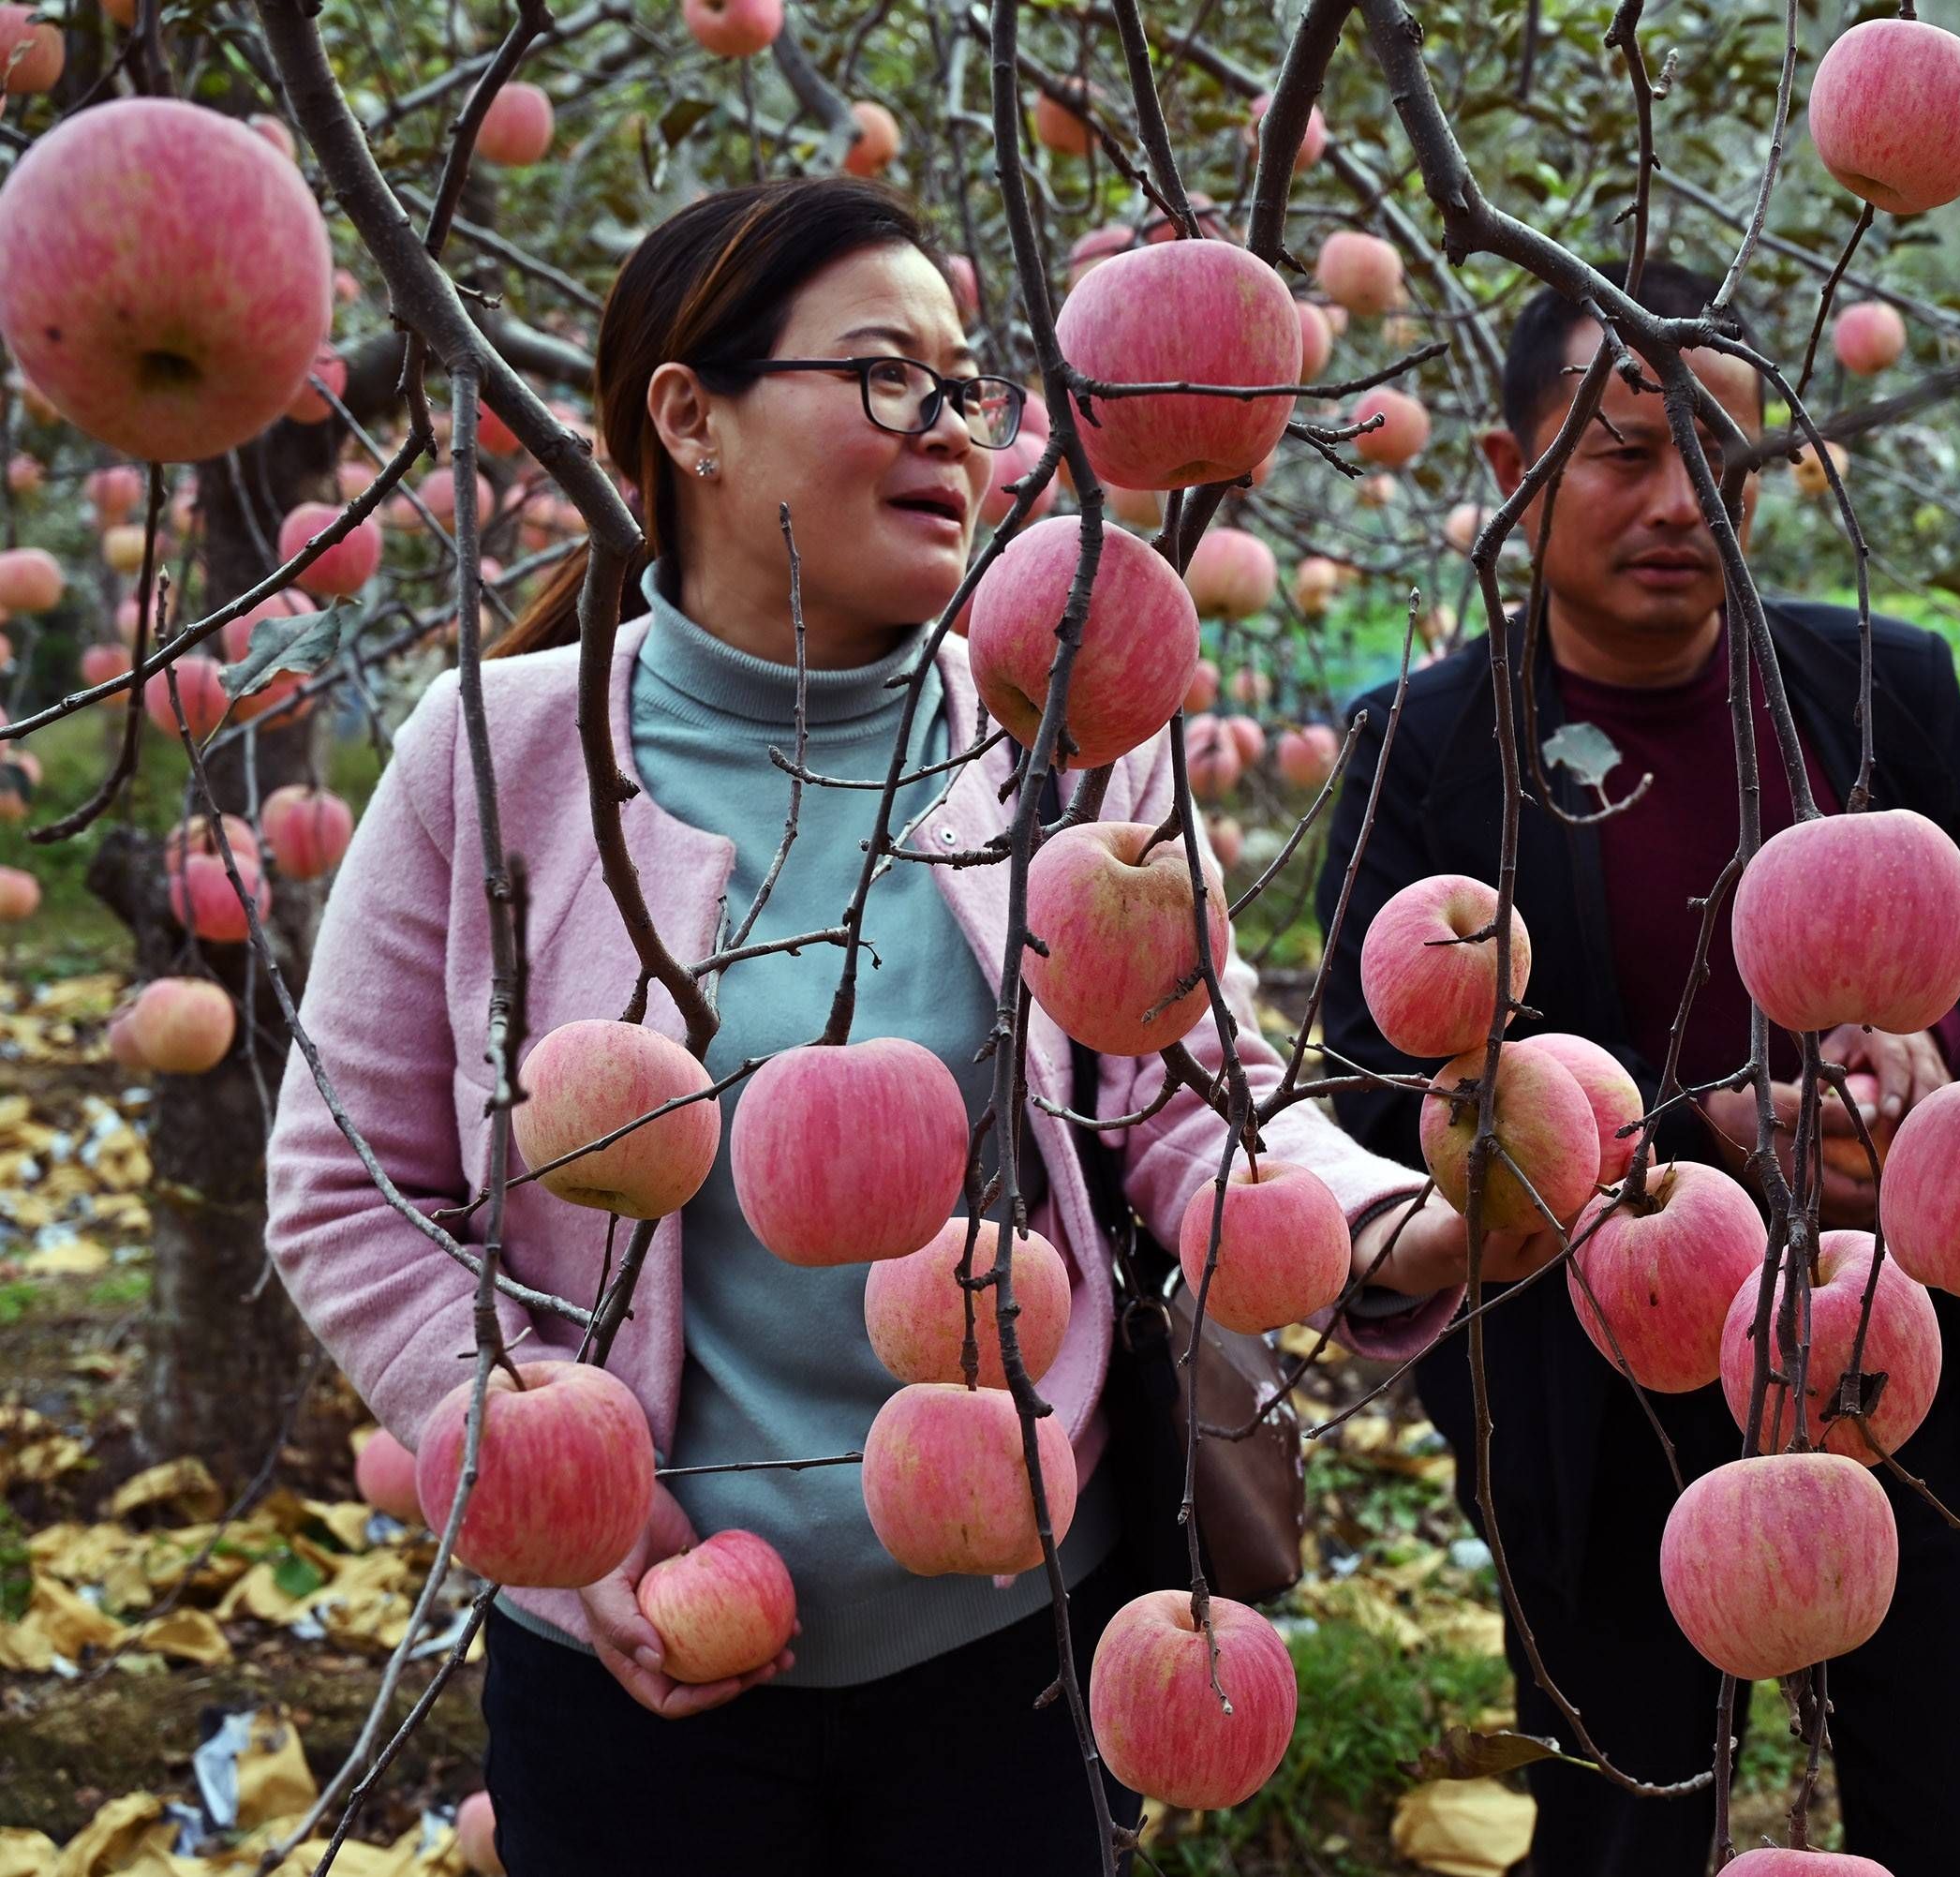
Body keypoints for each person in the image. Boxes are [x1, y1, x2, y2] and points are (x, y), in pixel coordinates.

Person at [262, 178, 1468, 1875]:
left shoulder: (1065, 735)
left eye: (967, 388)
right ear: (690, 417)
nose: (952, 434)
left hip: (1015, 1649)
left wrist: (1376, 1220)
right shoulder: (499, 761)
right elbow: (352, 1183)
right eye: (886, 376)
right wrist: (555, 1504)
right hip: (637, 1658)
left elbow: (1191, 1098)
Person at [1315, 260, 1960, 1876]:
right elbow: (1378, 1078)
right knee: (1627, 1819)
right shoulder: (1431, 747)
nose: (1683, 502)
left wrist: (1930, 1054)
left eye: (1724, 461)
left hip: (1884, 1355)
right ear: (1509, 469)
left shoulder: (1880, 690)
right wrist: (1676, 1132)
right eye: (1624, 451)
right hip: (1600, 1392)